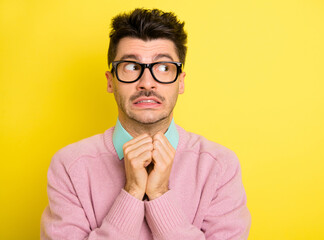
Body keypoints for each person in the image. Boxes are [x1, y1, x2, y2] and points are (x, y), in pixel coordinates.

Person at [40, 8, 251, 240]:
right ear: (111, 82)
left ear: (180, 83)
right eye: (131, 67)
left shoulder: (220, 167)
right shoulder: (69, 167)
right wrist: (131, 192)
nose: (147, 83)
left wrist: (159, 194)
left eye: (163, 67)